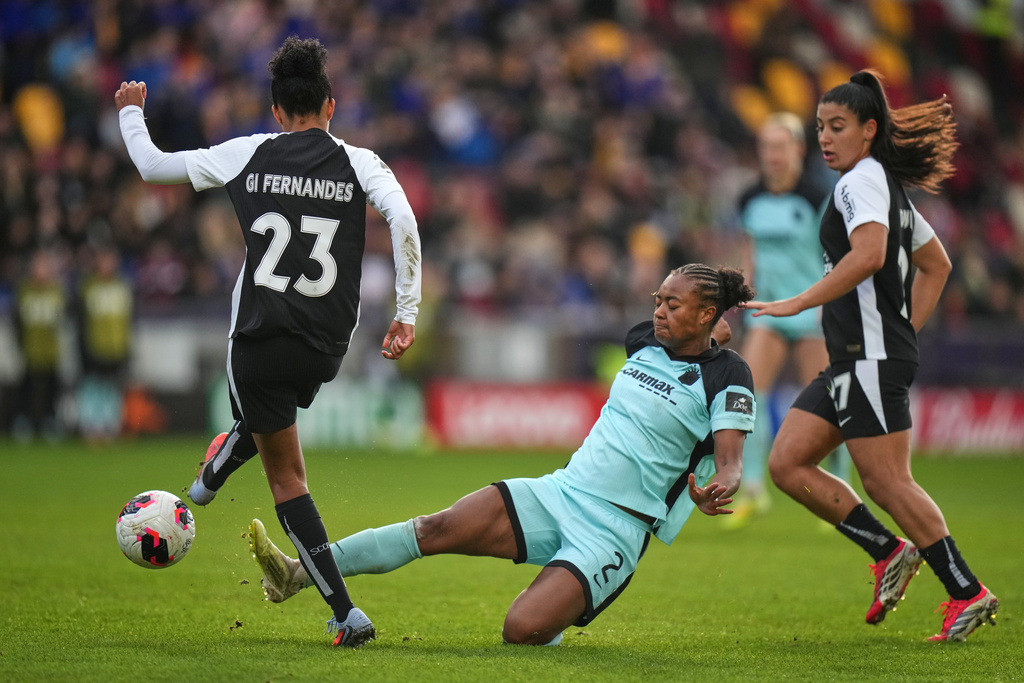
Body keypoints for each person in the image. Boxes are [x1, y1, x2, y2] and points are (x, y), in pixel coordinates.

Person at [247, 264, 756, 645]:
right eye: (658, 299)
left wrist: (723, 486)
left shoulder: (726, 376)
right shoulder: (642, 340)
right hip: (562, 490)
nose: (659, 311)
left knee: (522, 630)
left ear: (707, 313)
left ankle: (562, 603)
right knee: (434, 527)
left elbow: (730, 459)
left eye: (673, 304)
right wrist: (703, 328)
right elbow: (702, 336)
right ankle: (298, 573)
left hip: (616, 530)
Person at [114, 36, 422, 648]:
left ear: (276, 110)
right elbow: (405, 221)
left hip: (258, 338)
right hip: (328, 343)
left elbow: (151, 166)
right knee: (272, 414)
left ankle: (345, 615)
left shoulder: (247, 151)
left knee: (285, 472)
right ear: (331, 106)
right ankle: (212, 474)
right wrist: (406, 312)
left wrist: (129, 108)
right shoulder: (361, 163)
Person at [744, 70, 998, 642]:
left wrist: (802, 301)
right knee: (787, 463)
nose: (825, 138)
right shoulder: (882, 184)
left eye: (837, 127)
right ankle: (888, 552)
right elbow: (937, 265)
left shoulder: (859, 184)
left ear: (869, 129)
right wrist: (905, 328)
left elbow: (869, 254)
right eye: (819, 128)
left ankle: (968, 592)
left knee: (888, 483)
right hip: (858, 357)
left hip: (869, 357)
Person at [730, 112, 851, 528]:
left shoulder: (818, 197)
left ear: (799, 149)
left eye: (780, 146)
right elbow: (750, 257)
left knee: (830, 401)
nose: (773, 155)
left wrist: (831, 304)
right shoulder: (749, 199)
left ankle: (837, 489)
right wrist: (741, 293)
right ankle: (753, 491)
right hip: (768, 311)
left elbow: (838, 257)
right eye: (766, 147)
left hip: (812, 310)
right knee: (746, 392)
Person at [75, 245, 133, 443]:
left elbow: (128, 320)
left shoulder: (122, 287)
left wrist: (126, 346)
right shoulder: (88, 288)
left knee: (112, 388)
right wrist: (84, 348)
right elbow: (81, 321)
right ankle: (92, 426)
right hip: (95, 347)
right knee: (93, 386)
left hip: (116, 348)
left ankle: (110, 427)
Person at [12, 249, 67, 441]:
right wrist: (20, 343)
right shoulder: (24, 290)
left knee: (52, 387)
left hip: (51, 348)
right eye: (38, 266)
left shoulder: (56, 291)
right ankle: (23, 421)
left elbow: (63, 320)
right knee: (26, 386)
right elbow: (17, 321)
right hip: (30, 346)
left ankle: (50, 422)